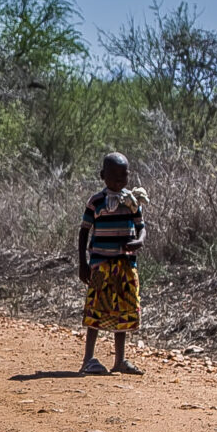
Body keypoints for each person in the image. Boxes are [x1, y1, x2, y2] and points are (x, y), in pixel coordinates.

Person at [76, 152, 147, 375]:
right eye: (114, 175)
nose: (119, 180)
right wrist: (83, 263)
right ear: (102, 176)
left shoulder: (132, 201)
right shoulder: (96, 202)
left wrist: (138, 242)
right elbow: (84, 232)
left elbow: (142, 226)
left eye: (124, 175)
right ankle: (89, 358)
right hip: (100, 264)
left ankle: (120, 360)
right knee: (96, 307)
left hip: (125, 265)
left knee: (124, 309)